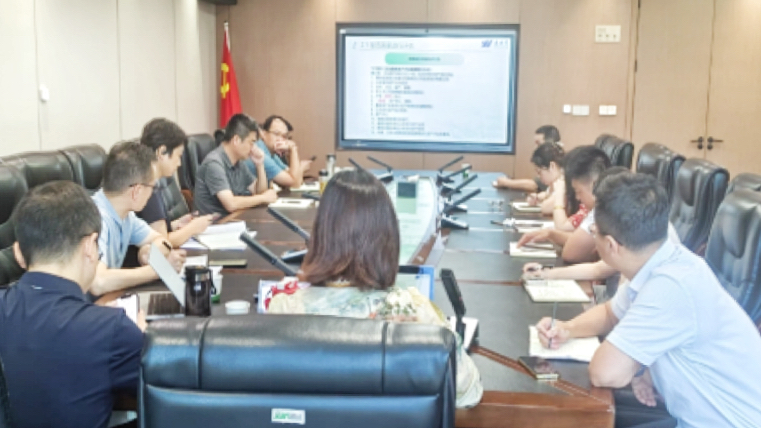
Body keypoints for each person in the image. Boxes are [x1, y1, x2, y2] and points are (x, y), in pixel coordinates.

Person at [535, 172, 761, 428]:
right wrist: (567, 328)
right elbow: (610, 313)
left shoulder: (671, 285)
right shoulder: (663, 261)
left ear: (611, 245)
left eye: (593, 231)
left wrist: (640, 366)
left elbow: (605, 373)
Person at [267, 169, 483, 408]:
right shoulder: (412, 310)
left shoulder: (283, 308)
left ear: (321, 233)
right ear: (388, 236)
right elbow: (469, 393)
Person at [0, 181, 144, 428]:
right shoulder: (113, 329)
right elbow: (164, 390)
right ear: (89, 246)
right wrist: (143, 340)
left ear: (19, 254)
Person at [90, 141, 187, 296]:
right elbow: (98, 282)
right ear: (137, 191)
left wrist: (148, 251)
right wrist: (159, 270)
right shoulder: (95, 218)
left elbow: (162, 240)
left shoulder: (127, 216)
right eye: (152, 187)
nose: (152, 193)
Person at [517, 146, 612, 264]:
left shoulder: (602, 210)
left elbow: (570, 253)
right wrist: (550, 234)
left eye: (578, 191)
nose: (577, 198)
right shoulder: (600, 207)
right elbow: (578, 240)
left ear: (594, 185)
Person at [137, 118, 215, 247]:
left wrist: (177, 224)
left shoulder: (147, 178)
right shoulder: (147, 186)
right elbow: (162, 243)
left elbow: (153, 230)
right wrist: (193, 228)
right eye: (178, 156)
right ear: (161, 152)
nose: (179, 164)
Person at [195, 114, 278, 216]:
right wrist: (263, 198)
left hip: (233, 218)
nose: (253, 148)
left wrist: (259, 164)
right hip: (215, 223)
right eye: (251, 143)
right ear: (236, 140)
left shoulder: (238, 162)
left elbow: (259, 192)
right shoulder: (214, 164)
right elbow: (231, 204)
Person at [244, 115, 313, 188]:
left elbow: (292, 176)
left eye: (284, 136)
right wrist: (293, 149)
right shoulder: (259, 153)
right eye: (276, 134)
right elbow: (295, 184)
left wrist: (290, 155)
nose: (280, 139)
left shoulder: (271, 152)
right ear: (263, 134)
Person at [494, 125, 561, 192]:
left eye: (538, 143)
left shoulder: (556, 160)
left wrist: (506, 182)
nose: (535, 147)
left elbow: (535, 185)